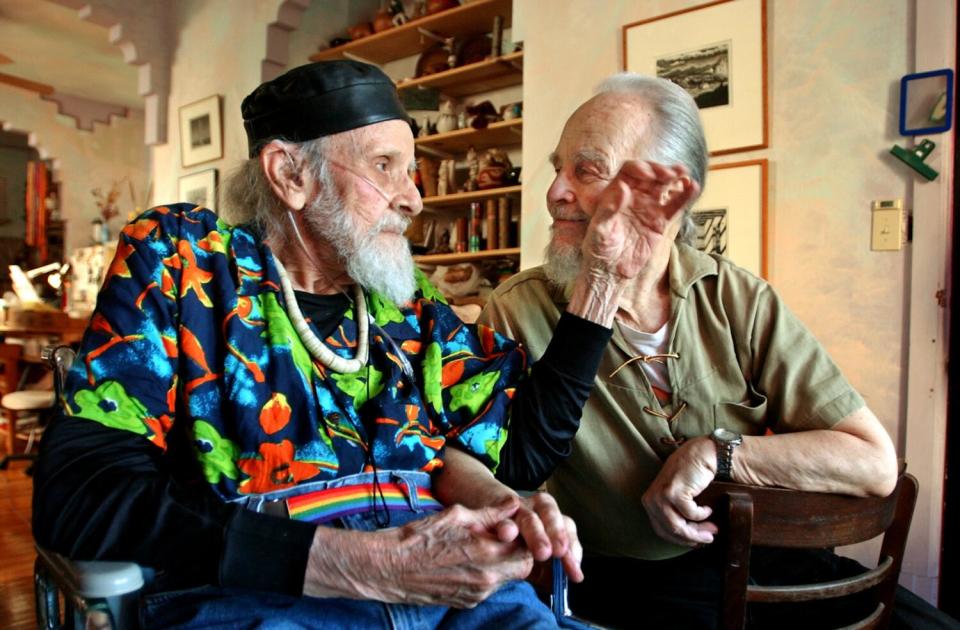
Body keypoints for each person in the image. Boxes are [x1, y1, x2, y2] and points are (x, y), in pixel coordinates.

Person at [31, 61, 686, 629]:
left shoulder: (407, 306)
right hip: (265, 603)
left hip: (454, 600)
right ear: (290, 175)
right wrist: (359, 566)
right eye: (385, 167)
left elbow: (519, 448)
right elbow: (79, 495)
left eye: (413, 171)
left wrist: (603, 279)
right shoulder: (186, 267)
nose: (413, 198)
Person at [477, 73, 946, 629]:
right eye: (558, 168)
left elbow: (872, 463)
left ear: (668, 194)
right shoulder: (516, 312)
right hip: (626, 588)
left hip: (766, 568)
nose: (555, 191)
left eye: (586, 170)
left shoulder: (737, 298)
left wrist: (715, 453)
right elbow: (500, 481)